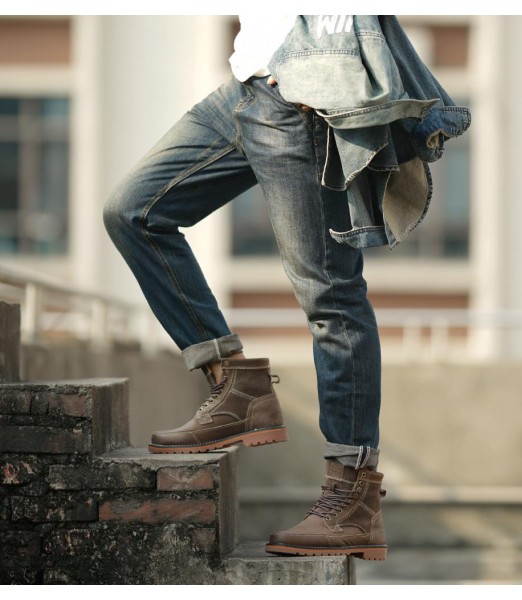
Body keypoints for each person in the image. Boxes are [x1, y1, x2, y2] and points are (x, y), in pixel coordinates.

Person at [103, 15, 469, 561]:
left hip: (301, 93)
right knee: (134, 212)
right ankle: (236, 387)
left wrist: (319, 67)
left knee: (331, 297)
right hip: (246, 87)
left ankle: (351, 497)